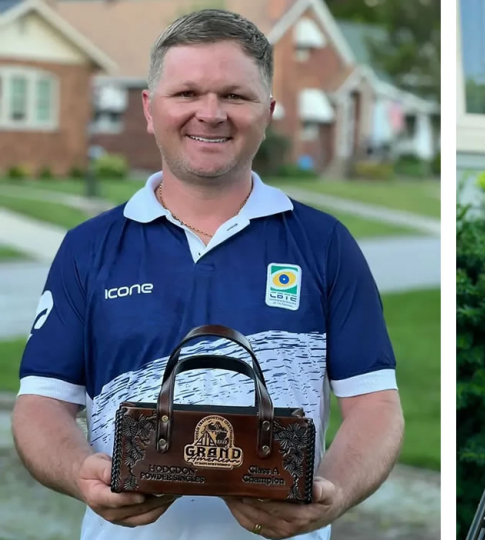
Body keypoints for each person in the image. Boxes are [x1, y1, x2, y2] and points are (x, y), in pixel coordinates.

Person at [11, 9, 403, 540]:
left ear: (268, 110)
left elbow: (376, 405)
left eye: (235, 96)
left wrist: (332, 490)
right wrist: (79, 472)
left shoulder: (324, 243)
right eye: (187, 93)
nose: (211, 114)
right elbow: (40, 406)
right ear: (150, 109)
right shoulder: (89, 248)